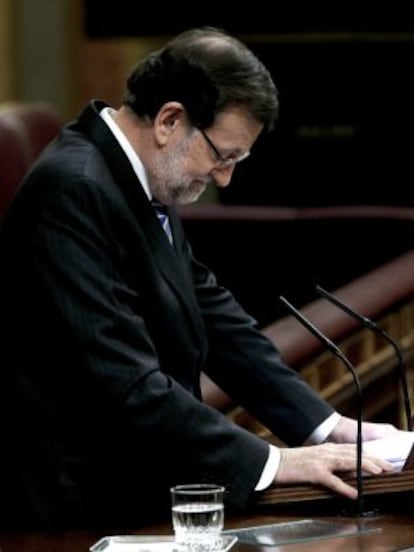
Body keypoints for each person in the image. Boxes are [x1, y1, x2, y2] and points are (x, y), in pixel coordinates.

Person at [0, 26, 397, 531]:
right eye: (222, 155)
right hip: (72, 512)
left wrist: (328, 426)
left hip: (127, 486)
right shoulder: (73, 189)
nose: (224, 177)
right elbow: (126, 385)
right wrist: (275, 462)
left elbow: (211, 313)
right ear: (170, 120)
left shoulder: (136, 173)